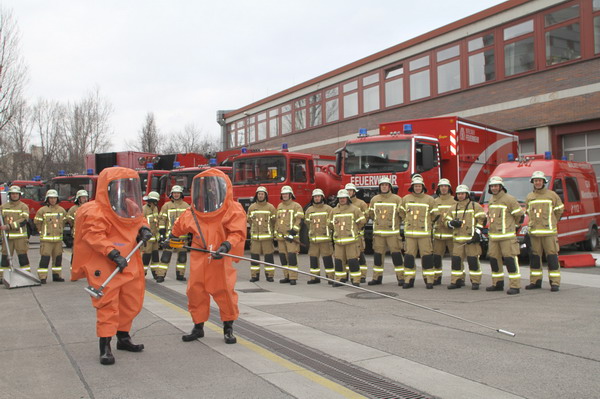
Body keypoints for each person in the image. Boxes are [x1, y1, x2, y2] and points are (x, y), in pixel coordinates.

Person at [71, 167, 152, 365]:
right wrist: (113, 253)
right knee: (108, 305)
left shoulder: (129, 205)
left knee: (131, 301)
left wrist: (145, 231)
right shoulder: (95, 210)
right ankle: (105, 346)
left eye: (127, 186)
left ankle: (123, 338)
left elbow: (140, 221)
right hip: (107, 264)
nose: (123, 190)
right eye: (118, 186)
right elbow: (93, 235)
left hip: (129, 261)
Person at [170, 168, 246, 344]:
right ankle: (198, 327)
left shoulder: (232, 209)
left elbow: (237, 232)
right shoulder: (194, 212)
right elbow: (179, 226)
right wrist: (171, 238)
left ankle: (228, 328)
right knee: (195, 291)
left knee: (225, 292)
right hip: (199, 257)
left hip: (220, 258)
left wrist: (227, 245)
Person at [525, 171, 564, 292]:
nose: (537, 182)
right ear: (533, 182)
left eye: (539, 180)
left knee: (552, 258)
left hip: (549, 233)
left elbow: (559, 210)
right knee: (535, 258)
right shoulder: (529, 197)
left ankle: (555, 283)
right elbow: (528, 213)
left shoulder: (552, 195)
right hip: (535, 233)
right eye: (535, 180)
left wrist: (552, 222)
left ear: (543, 182)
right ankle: (535, 281)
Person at [486, 176, 525, 295]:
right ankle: (497, 283)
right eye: (492, 186)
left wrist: (514, 226)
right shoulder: (491, 200)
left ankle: (515, 285)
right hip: (494, 237)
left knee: (510, 261)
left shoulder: (509, 199)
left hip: (507, 237)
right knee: (494, 260)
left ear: (501, 187)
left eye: (496, 186)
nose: (494, 188)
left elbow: (519, 216)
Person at [400, 175, 439, 289]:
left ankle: (429, 280)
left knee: (426, 257)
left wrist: (428, 223)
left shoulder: (429, 199)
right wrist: (406, 220)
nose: (417, 188)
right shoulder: (406, 199)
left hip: (424, 235)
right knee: (409, 258)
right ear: (412, 187)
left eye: (419, 186)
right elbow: (401, 212)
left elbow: (435, 214)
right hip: (410, 235)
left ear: (423, 187)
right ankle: (408, 280)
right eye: (415, 186)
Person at [446, 185, 486, 289]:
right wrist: (451, 223)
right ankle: (457, 281)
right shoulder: (453, 208)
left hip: (471, 240)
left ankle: (475, 282)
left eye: (462, 194)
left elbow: (482, 220)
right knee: (456, 262)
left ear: (467, 194)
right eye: (459, 194)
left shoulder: (475, 206)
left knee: (473, 261)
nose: (460, 196)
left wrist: (477, 233)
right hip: (458, 240)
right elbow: (446, 221)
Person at [367, 177, 404, 286]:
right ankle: (377, 278)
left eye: (386, 185)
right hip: (379, 234)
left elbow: (401, 215)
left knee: (397, 256)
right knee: (378, 257)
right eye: (382, 185)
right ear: (380, 187)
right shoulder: (374, 199)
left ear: (389, 187)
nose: (384, 187)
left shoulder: (397, 199)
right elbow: (371, 215)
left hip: (393, 234)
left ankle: (401, 278)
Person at [330, 189, 366, 286]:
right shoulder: (333, 211)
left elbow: (362, 221)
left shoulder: (354, 209)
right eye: (340, 198)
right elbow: (329, 224)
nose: (342, 200)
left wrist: (354, 230)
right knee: (338, 261)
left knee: (353, 261)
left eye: (344, 198)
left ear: (347, 199)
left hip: (351, 241)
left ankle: (356, 280)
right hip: (338, 242)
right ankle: (339, 279)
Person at [157, 185, 190, 282]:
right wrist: (162, 234)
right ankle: (160, 275)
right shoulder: (166, 206)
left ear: (181, 194)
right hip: (170, 237)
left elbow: (190, 221)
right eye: (174, 193)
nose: (176, 195)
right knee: (165, 257)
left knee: (182, 258)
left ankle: (180, 274)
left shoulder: (186, 206)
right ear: (172, 194)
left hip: (182, 238)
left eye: (178, 193)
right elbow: (162, 220)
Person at [34, 189, 67, 283]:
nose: (53, 200)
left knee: (58, 258)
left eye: (54, 198)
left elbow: (64, 222)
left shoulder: (61, 210)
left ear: (57, 199)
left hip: (58, 241)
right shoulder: (42, 210)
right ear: (47, 199)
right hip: (46, 241)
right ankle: (42, 277)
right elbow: (37, 223)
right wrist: (42, 232)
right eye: (51, 198)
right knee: (45, 258)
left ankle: (57, 275)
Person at [0, 185, 31, 282]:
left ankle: (27, 276)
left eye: (16, 194)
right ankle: (3, 277)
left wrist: (9, 226)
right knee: (5, 258)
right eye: (12, 194)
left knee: (23, 257)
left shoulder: (24, 207)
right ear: (9, 195)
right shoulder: (3, 207)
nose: (14, 196)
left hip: (20, 238)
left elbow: (23, 221)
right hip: (7, 238)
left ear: (19, 195)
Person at [275, 185, 304, 285]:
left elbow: (299, 221)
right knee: (283, 257)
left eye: (286, 194)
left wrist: (292, 233)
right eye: (283, 194)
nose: (285, 196)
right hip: (281, 238)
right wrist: (276, 233)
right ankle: (286, 276)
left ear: (291, 195)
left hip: (291, 238)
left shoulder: (296, 206)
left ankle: (293, 277)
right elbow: (277, 221)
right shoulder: (279, 206)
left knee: (292, 256)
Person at [247, 186, 277, 282]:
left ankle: (270, 276)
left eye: (262, 194)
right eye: (259, 194)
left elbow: (274, 221)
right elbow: (249, 220)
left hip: (267, 238)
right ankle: (255, 276)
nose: (260, 196)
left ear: (265, 195)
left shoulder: (270, 207)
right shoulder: (252, 207)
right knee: (254, 257)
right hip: (255, 238)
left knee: (268, 257)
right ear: (257, 195)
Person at [305, 188, 334, 284]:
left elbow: (332, 223)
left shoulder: (328, 209)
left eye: (318, 196)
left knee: (327, 259)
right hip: (313, 241)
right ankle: (314, 278)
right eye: (315, 197)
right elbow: (307, 223)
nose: (317, 198)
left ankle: (330, 278)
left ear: (322, 197)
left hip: (325, 240)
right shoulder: (309, 210)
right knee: (313, 258)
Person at [432, 179, 456, 285]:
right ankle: (437, 278)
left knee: (456, 258)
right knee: (437, 258)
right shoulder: (434, 201)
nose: (443, 188)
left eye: (446, 186)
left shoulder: (455, 201)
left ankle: (458, 278)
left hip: (452, 235)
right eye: (441, 186)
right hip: (438, 235)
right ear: (439, 188)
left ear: (449, 188)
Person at [345, 183, 369, 282]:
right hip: (346, 235)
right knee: (346, 256)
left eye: (350, 190)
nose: (349, 192)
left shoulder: (361, 204)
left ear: (354, 192)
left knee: (360, 256)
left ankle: (362, 275)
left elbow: (366, 217)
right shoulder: (342, 204)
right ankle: (345, 275)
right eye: (347, 191)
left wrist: (357, 227)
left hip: (358, 235)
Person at [142, 191, 161, 278]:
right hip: (147, 238)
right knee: (146, 256)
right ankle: (143, 273)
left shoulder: (155, 208)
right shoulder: (144, 209)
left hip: (155, 238)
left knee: (155, 256)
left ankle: (155, 272)